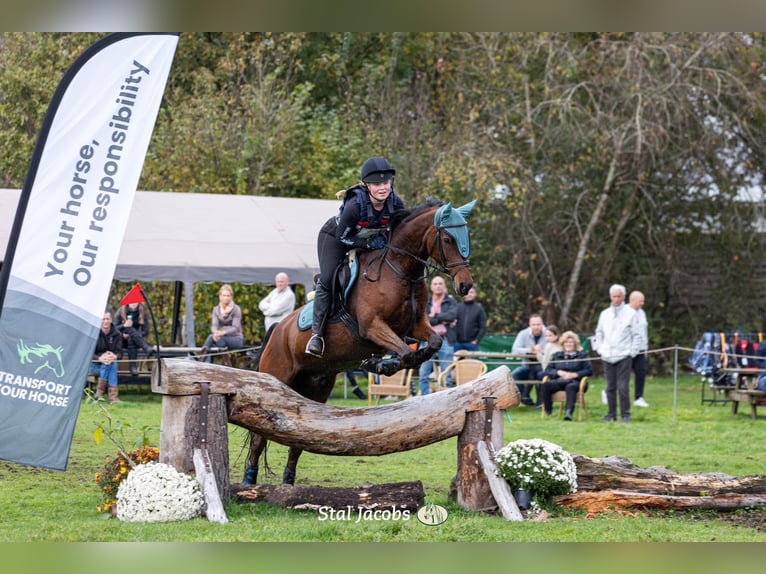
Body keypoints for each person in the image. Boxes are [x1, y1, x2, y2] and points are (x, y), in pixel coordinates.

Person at [306, 156, 405, 357]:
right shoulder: (355, 205)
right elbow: (343, 238)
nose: (383, 187)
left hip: (366, 242)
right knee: (328, 278)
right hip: (335, 238)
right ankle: (316, 335)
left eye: (386, 183)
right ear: (367, 185)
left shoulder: (396, 203)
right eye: (377, 184)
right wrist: (368, 244)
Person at [594, 284, 642, 423]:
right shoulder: (604, 314)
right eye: (614, 296)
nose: (616, 299)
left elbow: (637, 335)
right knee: (610, 387)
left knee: (623, 387)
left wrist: (631, 353)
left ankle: (625, 414)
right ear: (610, 297)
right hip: (607, 356)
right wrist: (600, 349)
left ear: (624, 297)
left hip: (624, 355)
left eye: (619, 296)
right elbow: (599, 333)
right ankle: (611, 414)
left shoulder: (631, 314)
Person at [418, 275, 457, 395]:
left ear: (444, 286)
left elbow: (452, 316)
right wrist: (442, 319)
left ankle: (447, 402)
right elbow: (422, 319)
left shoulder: (451, 301)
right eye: (435, 284)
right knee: (423, 374)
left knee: (447, 376)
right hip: (427, 339)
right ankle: (424, 401)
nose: (438, 286)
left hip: (445, 340)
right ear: (431, 287)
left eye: (440, 284)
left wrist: (434, 316)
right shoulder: (425, 300)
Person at [540, 330, 593, 420]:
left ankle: (569, 413)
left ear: (575, 344)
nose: (568, 344)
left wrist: (575, 374)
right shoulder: (557, 355)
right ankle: (548, 411)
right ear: (563, 344)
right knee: (546, 385)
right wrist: (558, 372)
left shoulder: (582, 356)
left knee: (570, 387)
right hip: (560, 380)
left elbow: (589, 370)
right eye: (566, 342)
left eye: (571, 342)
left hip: (576, 382)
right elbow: (548, 370)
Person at [201, 284, 244, 362]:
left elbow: (235, 328)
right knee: (214, 337)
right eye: (224, 295)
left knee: (213, 338)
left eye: (228, 296)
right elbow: (214, 325)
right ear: (220, 297)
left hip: (236, 338)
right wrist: (216, 332)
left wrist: (223, 332)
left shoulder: (236, 309)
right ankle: (225, 363)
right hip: (220, 337)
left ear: (231, 297)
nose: (226, 298)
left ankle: (201, 362)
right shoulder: (216, 310)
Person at [511, 314, 547, 406]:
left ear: (542, 324)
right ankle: (524, 397)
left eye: (538, 324)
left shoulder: (548, 333)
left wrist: (540, 351)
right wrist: (530, 350)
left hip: (544, 367)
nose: (536, 327)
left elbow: (553, 349)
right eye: (534, 324)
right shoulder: (523, 334)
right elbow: (515, 350)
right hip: (526, 366)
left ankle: (541, 401)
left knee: (540, 374)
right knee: (515, 374)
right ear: (530, 325)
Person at [89, 310, 124, 403]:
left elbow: (120, 354)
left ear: (111, 320)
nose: (105, 321)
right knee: (111, 365)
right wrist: (100, 359)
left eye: (107, 319)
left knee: (111, 364)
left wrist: (114, 356)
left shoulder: (117, 334)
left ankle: (99, 394)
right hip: (94, 365)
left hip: (109, 363)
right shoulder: (94, 333)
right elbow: (89, 353)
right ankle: (113, 398)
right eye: (103, 319)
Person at [115, 302, 154, 375]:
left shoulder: (142, 311)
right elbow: (114, 329)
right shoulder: (121, 311)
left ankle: (133, 368)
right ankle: (145, 348)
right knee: (129, 329)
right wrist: (124, 327)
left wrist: (136, 336)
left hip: (136, 341)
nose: (133, 303)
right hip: (122, 340)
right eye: (131, 301)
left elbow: (145, 331)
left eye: (135, 301)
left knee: (132, 338)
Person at [629, 290, 649, 408]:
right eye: (640, 301)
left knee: (641, 372)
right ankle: (608, 392)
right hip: (627, 349)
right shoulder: (625, 312)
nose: (642, 303)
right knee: (622, 374)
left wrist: (645, 349)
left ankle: (638, 397)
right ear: (632, 300)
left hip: (640, 350)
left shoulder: (642, 313)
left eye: (643, 301)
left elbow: (644, 332)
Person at [454, 286, 487, 353]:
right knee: (457, 363)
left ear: (475, 294)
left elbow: (483, 327)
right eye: (467, 292)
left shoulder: (479, 308)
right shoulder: (458, 307)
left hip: (472, 344)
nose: (469, 294)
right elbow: (453, 323)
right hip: (457, 344)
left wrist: (476, 340)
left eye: (472, 292)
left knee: (472, 363)